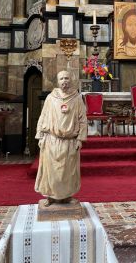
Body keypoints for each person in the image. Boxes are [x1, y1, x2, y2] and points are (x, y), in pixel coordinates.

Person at [35, 70, 87, 206]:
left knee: (68, 172)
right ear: (58, 81)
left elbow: (83, 120)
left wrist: (80, 139)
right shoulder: (51, 98)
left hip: (70, 141)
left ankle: (67, 196)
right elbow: (44, 116)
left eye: (67, 78)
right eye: (62, 78)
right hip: (52, 140)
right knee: (50, 171)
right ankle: (50, 197)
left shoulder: (77, 98)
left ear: (71, 80)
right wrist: (40, 135)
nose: (64, 81)